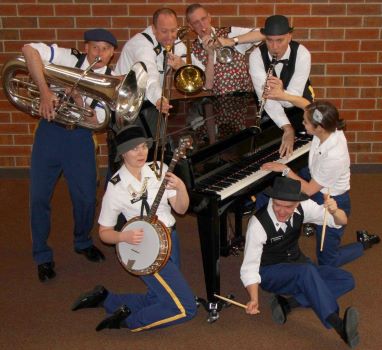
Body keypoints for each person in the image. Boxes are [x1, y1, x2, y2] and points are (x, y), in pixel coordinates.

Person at [71, 125, 197, 331]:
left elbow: (181, 209)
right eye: (134, 149)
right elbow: (104, 232)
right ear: (122, 153)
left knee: (159, 296)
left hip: (171, 240)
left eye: (143, 146)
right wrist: (124, 237)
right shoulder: (116, 186)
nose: (141, 153)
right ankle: (127, 321)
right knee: (186, 307)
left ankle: (107, 299)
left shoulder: (159, 169)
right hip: (145, 250)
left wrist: (181, 187)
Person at [21, 28, 117, 281]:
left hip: (80, 138)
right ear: (85, 47)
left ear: (112, 54)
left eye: (106, 49)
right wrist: (44, 91)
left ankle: (82, 241)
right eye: (95, 47)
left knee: (86, 198)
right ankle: (42, 254)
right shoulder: (66, 58)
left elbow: (99, 120)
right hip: (50, 134)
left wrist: (77, 99)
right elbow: (28, 49)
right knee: (39, 197)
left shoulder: (110, 81)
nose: (100, 53)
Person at [241, 177, 360, 348]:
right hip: (270, 272)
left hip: (298, 264)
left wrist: (335, 211)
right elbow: (249, 268)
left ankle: (288, 304)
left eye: (288, 207)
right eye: (277, 205)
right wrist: (253, 298)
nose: (281, 211)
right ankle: (339, 325)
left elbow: (341, 222)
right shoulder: (258, 224)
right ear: (272, 200)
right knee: (306, 272)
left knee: (346, 279)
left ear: (297, 203)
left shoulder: (304, 207)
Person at [262, 101, 380, 266]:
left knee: (327, 261)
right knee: (272, 189)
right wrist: (283, 95)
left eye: (305, 122)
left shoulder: (334, 156)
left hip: (332, 201)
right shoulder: (329, 125)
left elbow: (309, 190)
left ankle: (364, 242)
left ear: (319, 128)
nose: (302, 124)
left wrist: (285, 169)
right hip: (315, 178)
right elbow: (306, 105)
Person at [185, 3, 264, 139]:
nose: (202, 25)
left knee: (248, 145)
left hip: (244, 104)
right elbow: (208, 85)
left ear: (210, 17)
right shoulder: (193, 51)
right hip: (218, 109)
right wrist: (210, 54)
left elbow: (263, 34)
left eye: (204, 19)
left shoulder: (229, 32)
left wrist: (231, 41)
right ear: (191, 26)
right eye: (196, 23)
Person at [248, 15, 314, 158]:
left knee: (305, 154)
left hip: (300, 106)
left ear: (289, 37)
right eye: (270, 40)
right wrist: (287, 128)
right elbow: (267, 99)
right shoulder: (256, 56)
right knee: (271, 150)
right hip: (271, 109)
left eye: (280, 40)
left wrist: (281, 93)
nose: (274, 47)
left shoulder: (302, 54)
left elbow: (291, 100)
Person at [115, 8, 186, 126]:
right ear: (153, 29)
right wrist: (159, 98)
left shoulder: (172, 40)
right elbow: (150, 76)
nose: (170, 36)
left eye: (173, 30)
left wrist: (182, 65)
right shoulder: (141, 45)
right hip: (126, 108)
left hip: (150, 104)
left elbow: (194, 67)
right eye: (164, 31)